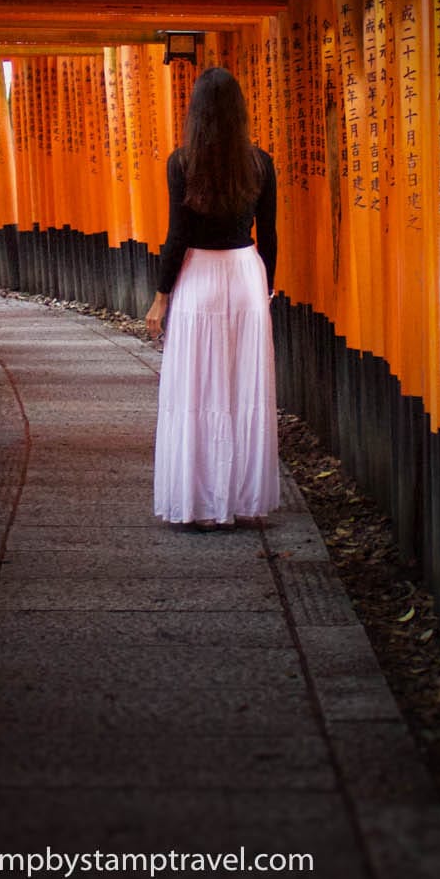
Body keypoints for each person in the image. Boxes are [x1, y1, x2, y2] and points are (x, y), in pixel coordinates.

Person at [144, 65, 280, 531]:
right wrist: (268, 288)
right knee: (242, 387)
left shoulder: (182, 163)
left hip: (199, 276)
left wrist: (161, 295)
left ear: (196, 113)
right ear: (239, 111)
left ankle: (201, 502)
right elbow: (271, 235)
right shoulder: (260, 162)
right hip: (246, 274)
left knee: (199, 387)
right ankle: (241, 498)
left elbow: (177, 235)